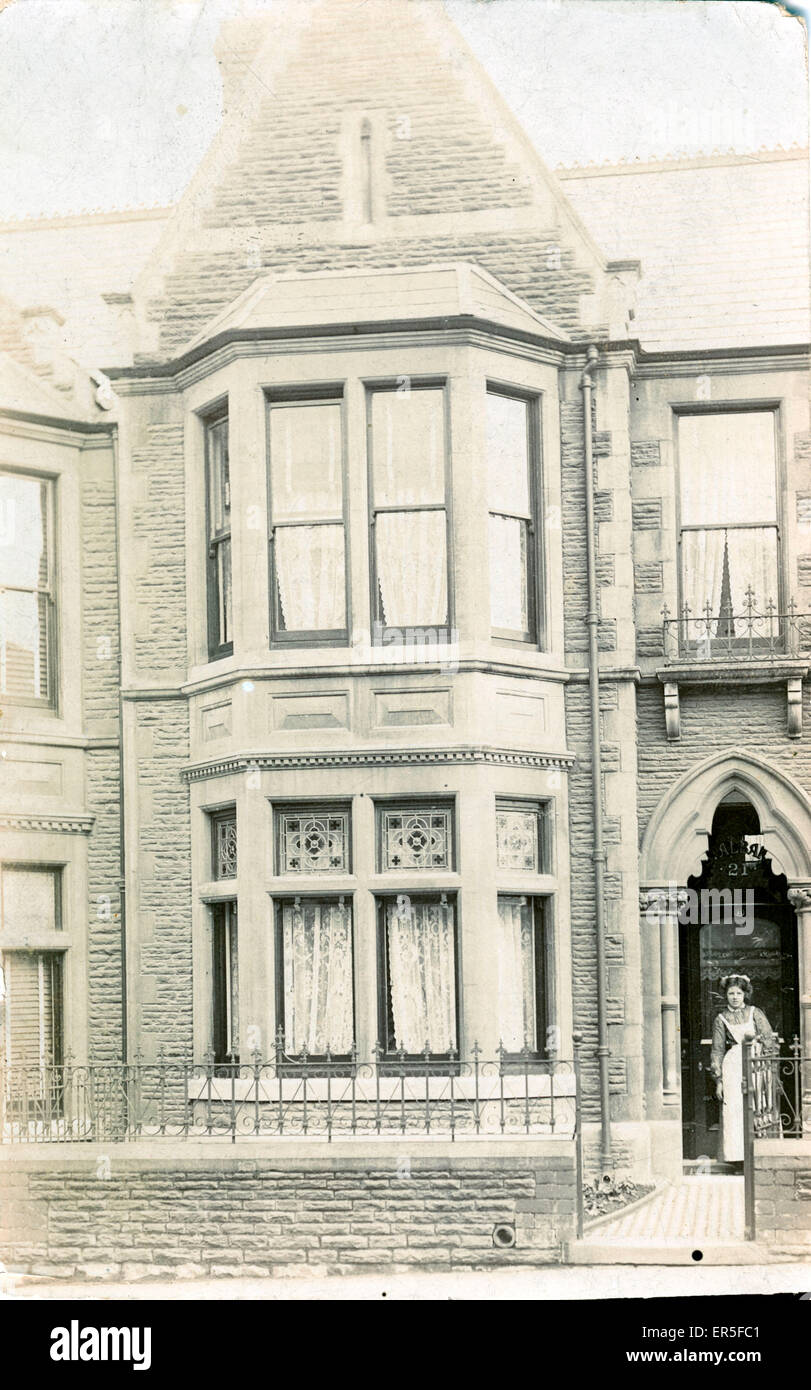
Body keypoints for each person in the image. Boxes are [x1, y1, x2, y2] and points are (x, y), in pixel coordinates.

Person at [710, 974, 776, 1165]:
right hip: (733, 1068)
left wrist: (767, 1065)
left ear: (745, 994)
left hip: (756, 1064)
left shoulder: (755, 1013)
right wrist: (719, 1081)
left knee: (759, 1105)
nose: (735, 997)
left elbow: (768, 1039)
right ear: (726, 995)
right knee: (736, 1109)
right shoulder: (721, 1019)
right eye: (731, 993)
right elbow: (717, 1049)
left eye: (739, 993)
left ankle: (762, 1154)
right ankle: (739, 1158)